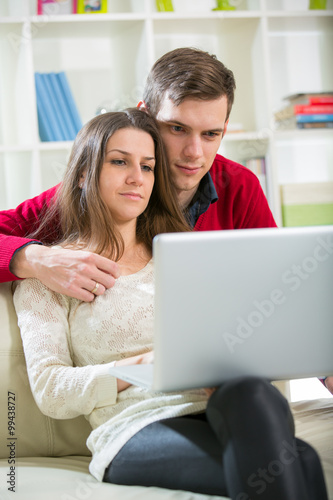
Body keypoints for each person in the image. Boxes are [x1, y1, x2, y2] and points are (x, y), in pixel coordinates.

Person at [13, 108, 328, 500]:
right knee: (303, 462)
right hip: (135, 428)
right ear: (82, 174)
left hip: (224, 410)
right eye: (119, 162)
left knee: (251, 391)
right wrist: (142, 366)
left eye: (147, 167)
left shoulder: (184, 257)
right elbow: (50, 390)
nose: (136, 178)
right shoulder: (53, 275)